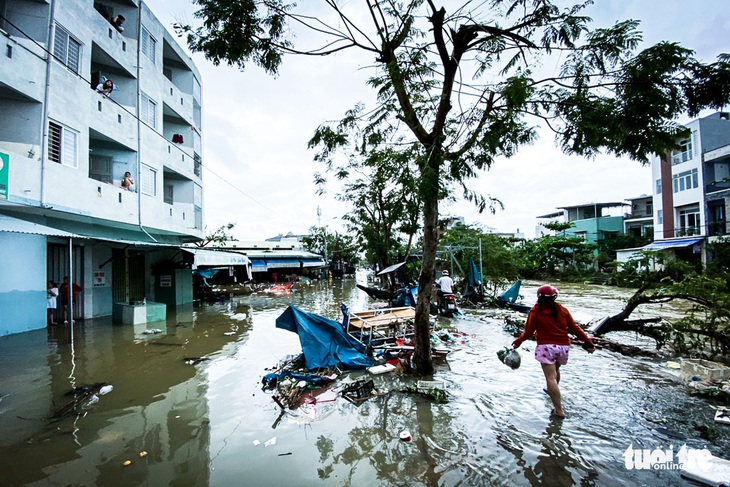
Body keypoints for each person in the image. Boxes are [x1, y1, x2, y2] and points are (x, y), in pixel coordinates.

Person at [512, 284, 595, 419]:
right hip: (563, 347)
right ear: (554, 296)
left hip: (546, 347)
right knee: (556, 371)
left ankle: (558, 410)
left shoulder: (535, 312)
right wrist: (589, 342)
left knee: (550, 378)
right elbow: (575, 328)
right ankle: (553, 390)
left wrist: (518, 341)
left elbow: (528, 332)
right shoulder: (562, 309)